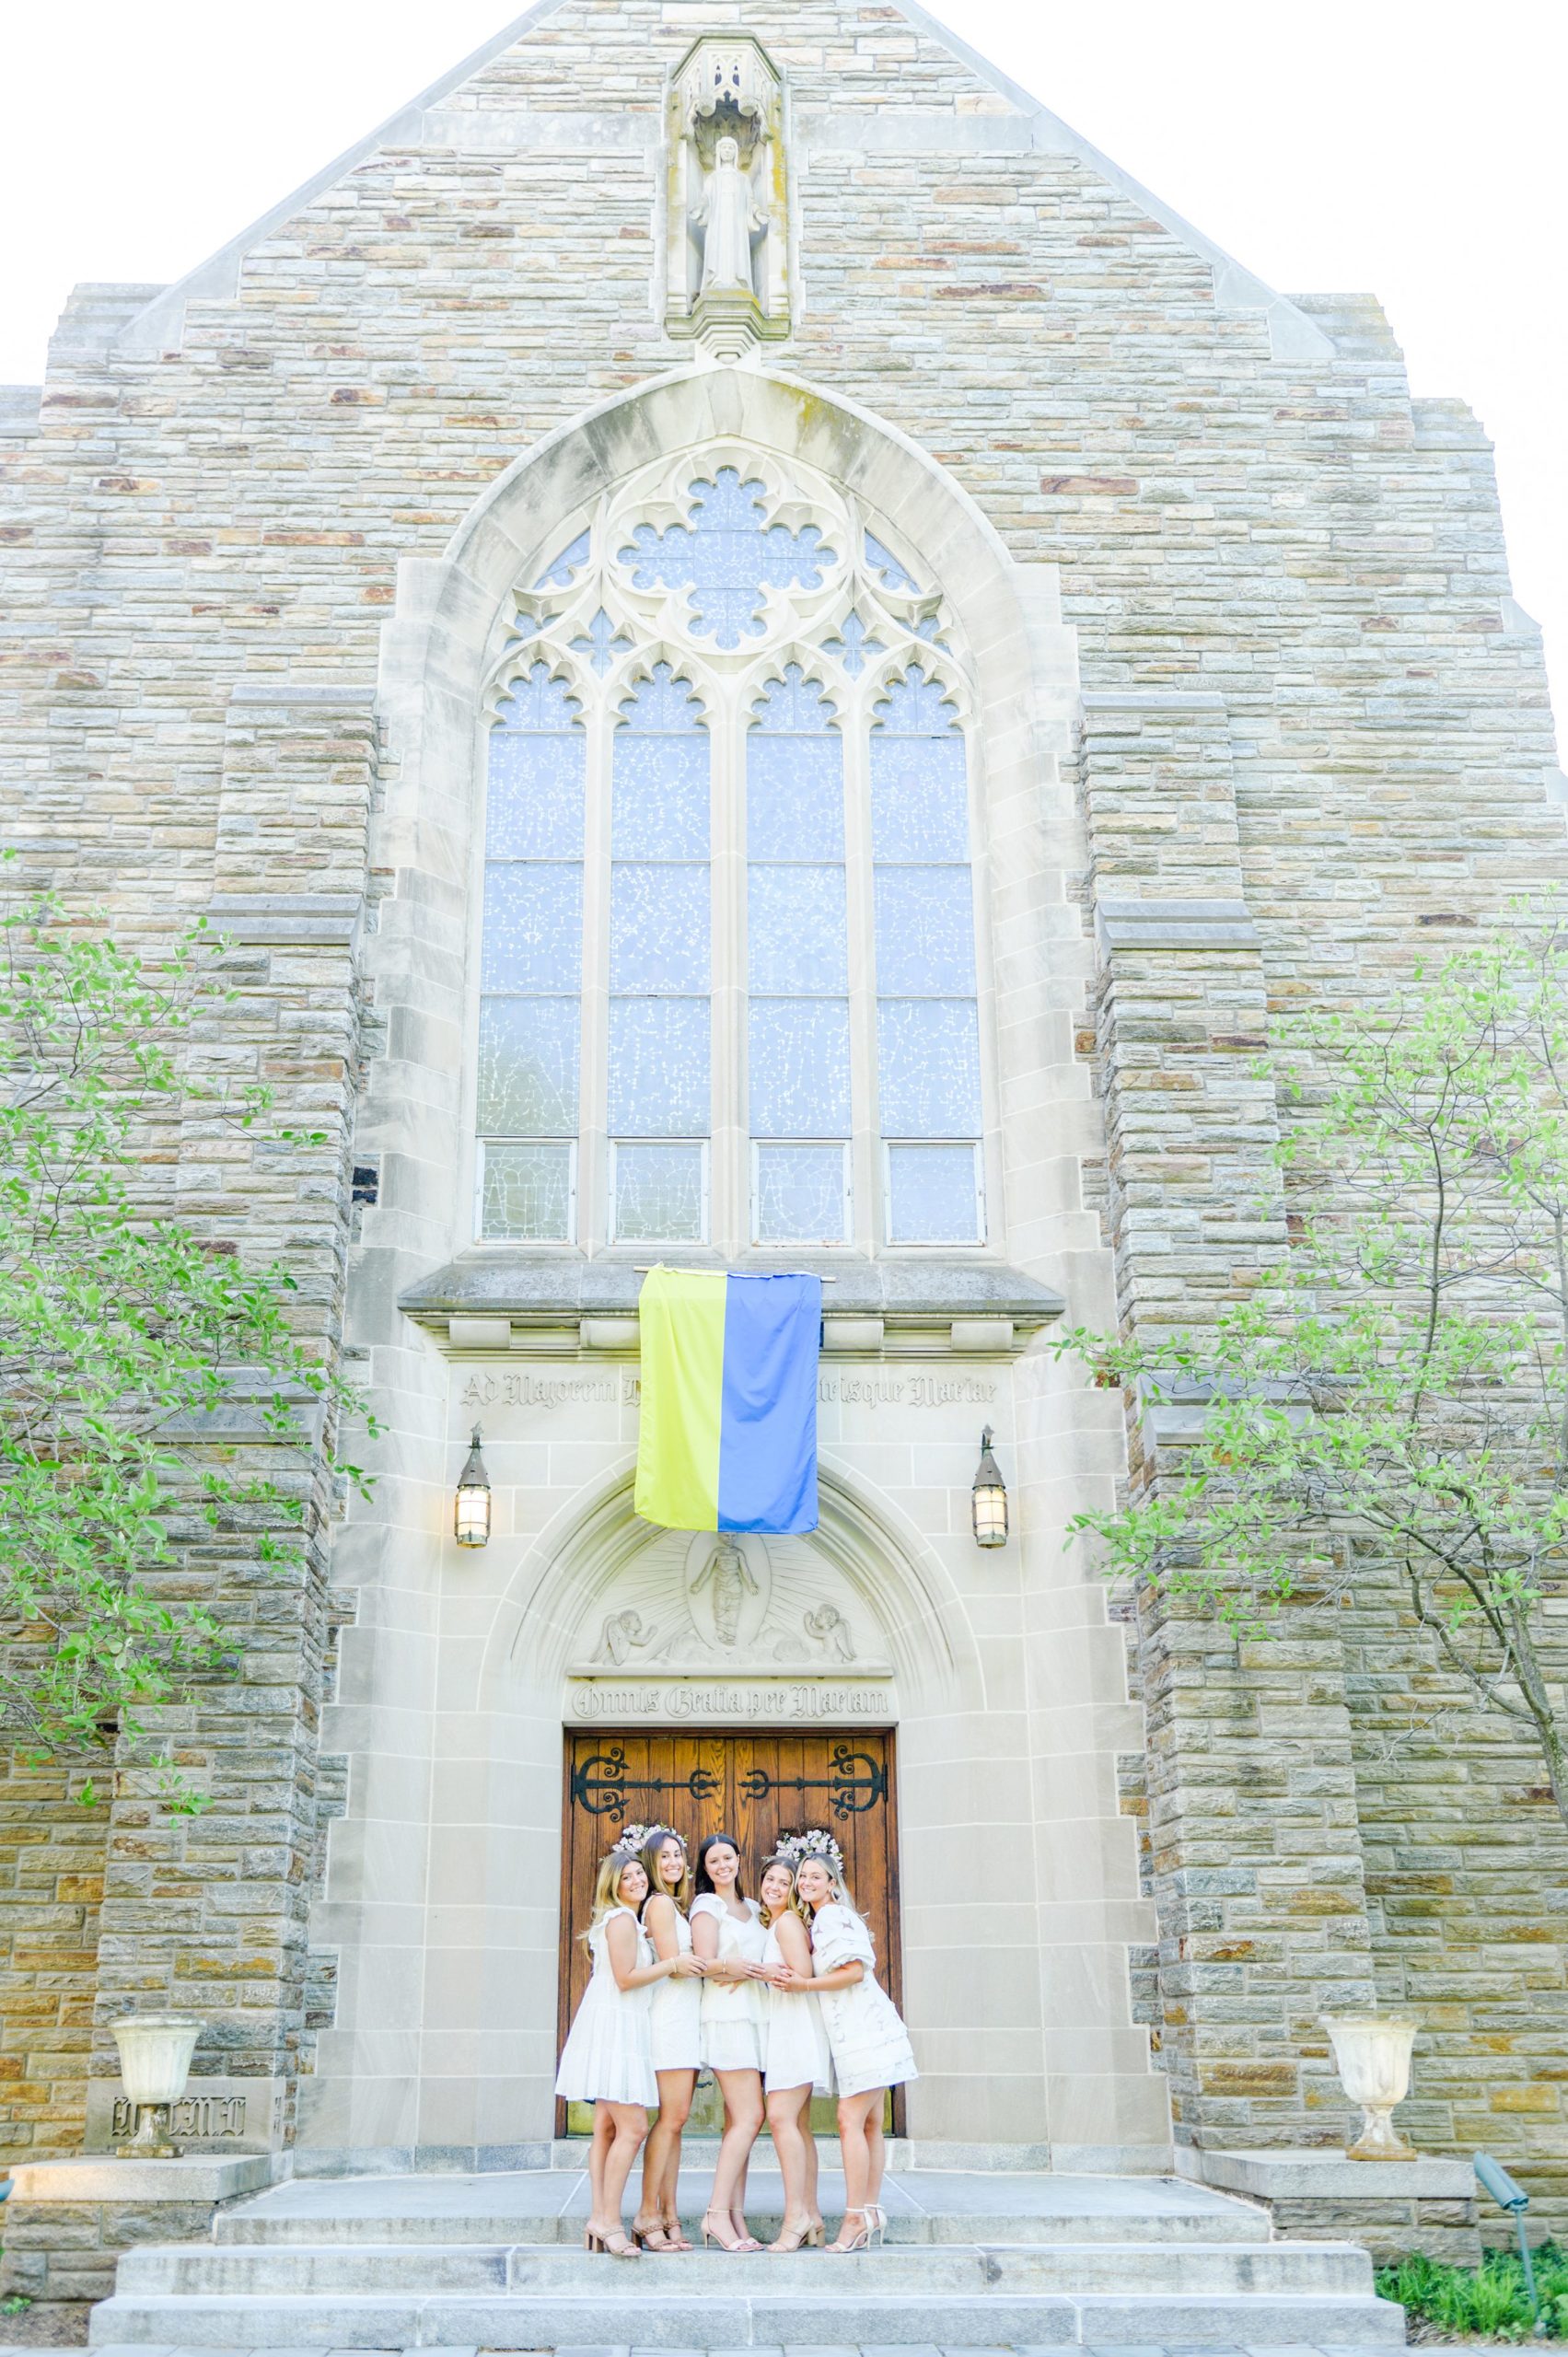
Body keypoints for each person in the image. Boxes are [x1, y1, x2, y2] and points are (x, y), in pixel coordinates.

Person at [554, 1844, 703, 2258]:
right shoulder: (621, 1920)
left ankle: (600, 2218)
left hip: (624, 2025)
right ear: (613, 1885)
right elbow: (625, 1979)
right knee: (634, 2128)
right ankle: (606, 2220)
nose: (638, 1881)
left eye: (640, 1874)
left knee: (608, 2128)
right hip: (615, 2028)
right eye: (628, 1877)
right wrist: (673, 1964)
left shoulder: (627, 1921)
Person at [789, 1834, 917, 2254]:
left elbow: (854, 1971)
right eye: (802, 1875)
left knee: (848, 2119)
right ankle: (870, 2209)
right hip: (868, 2030)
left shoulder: (832, 1917)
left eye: (815, 1876)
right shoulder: (824, 1918)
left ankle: (853, 2217)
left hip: (863, 2031)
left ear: (831, 1882)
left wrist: (803, 1984)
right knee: (868, 2124)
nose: (807, 1881)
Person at [690, 1829, 770, 2250]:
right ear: (705, 1870)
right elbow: (701, 1964)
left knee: (740, 2122)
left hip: (755, 2016)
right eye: (713, 1861)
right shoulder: (707, 1905)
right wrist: (733, 1968)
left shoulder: (754, 1907)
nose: (723, 1866)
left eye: (728, 1858)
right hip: (726, 2017)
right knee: (751, 2116)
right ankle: (716, 2215)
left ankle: (735, 2217)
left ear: (740, 1859)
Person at [757, 1850, 832, 2252]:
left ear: (794, 1891)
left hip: (793, 2029)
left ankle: (795, 2217)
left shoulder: (786, 1921)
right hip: (790, 2026)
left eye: (785, 1883)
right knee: (798, 2125)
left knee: (781, 2118)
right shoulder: (784, 1922)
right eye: (770, 1879)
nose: (775, 1887)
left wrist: (767, 1974)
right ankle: (812, 2214)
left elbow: (801, 1974)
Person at [632, 1825, 703, 2251]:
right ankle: (646, 2212)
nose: (674, 1863)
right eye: (665, 1858)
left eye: (678, 1855)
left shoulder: (676, 1905)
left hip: (687, 2017)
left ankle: (669, 2214)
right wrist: (730, 1963)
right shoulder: (659, 1904)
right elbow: (677, 1964)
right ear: (652, 1864)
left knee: (676, 2123)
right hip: (671, 2018)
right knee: (671, 2119)